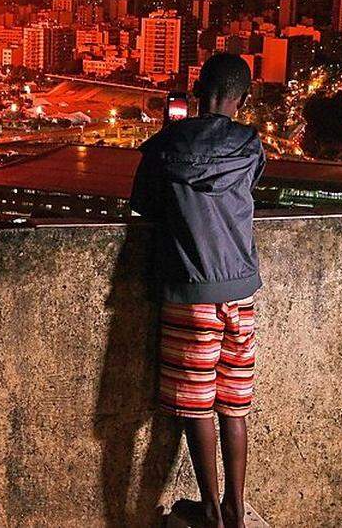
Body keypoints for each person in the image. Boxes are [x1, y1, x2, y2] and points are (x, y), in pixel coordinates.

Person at [130, 53, 265, 528]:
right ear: (242, 99)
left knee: (196, 403)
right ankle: (236, 508)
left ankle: (209, 511)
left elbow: (143, 207)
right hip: (241, 291)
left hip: (191, 289)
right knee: (233, 402)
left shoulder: (165, 146)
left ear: (195, 90)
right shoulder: (251, 145)